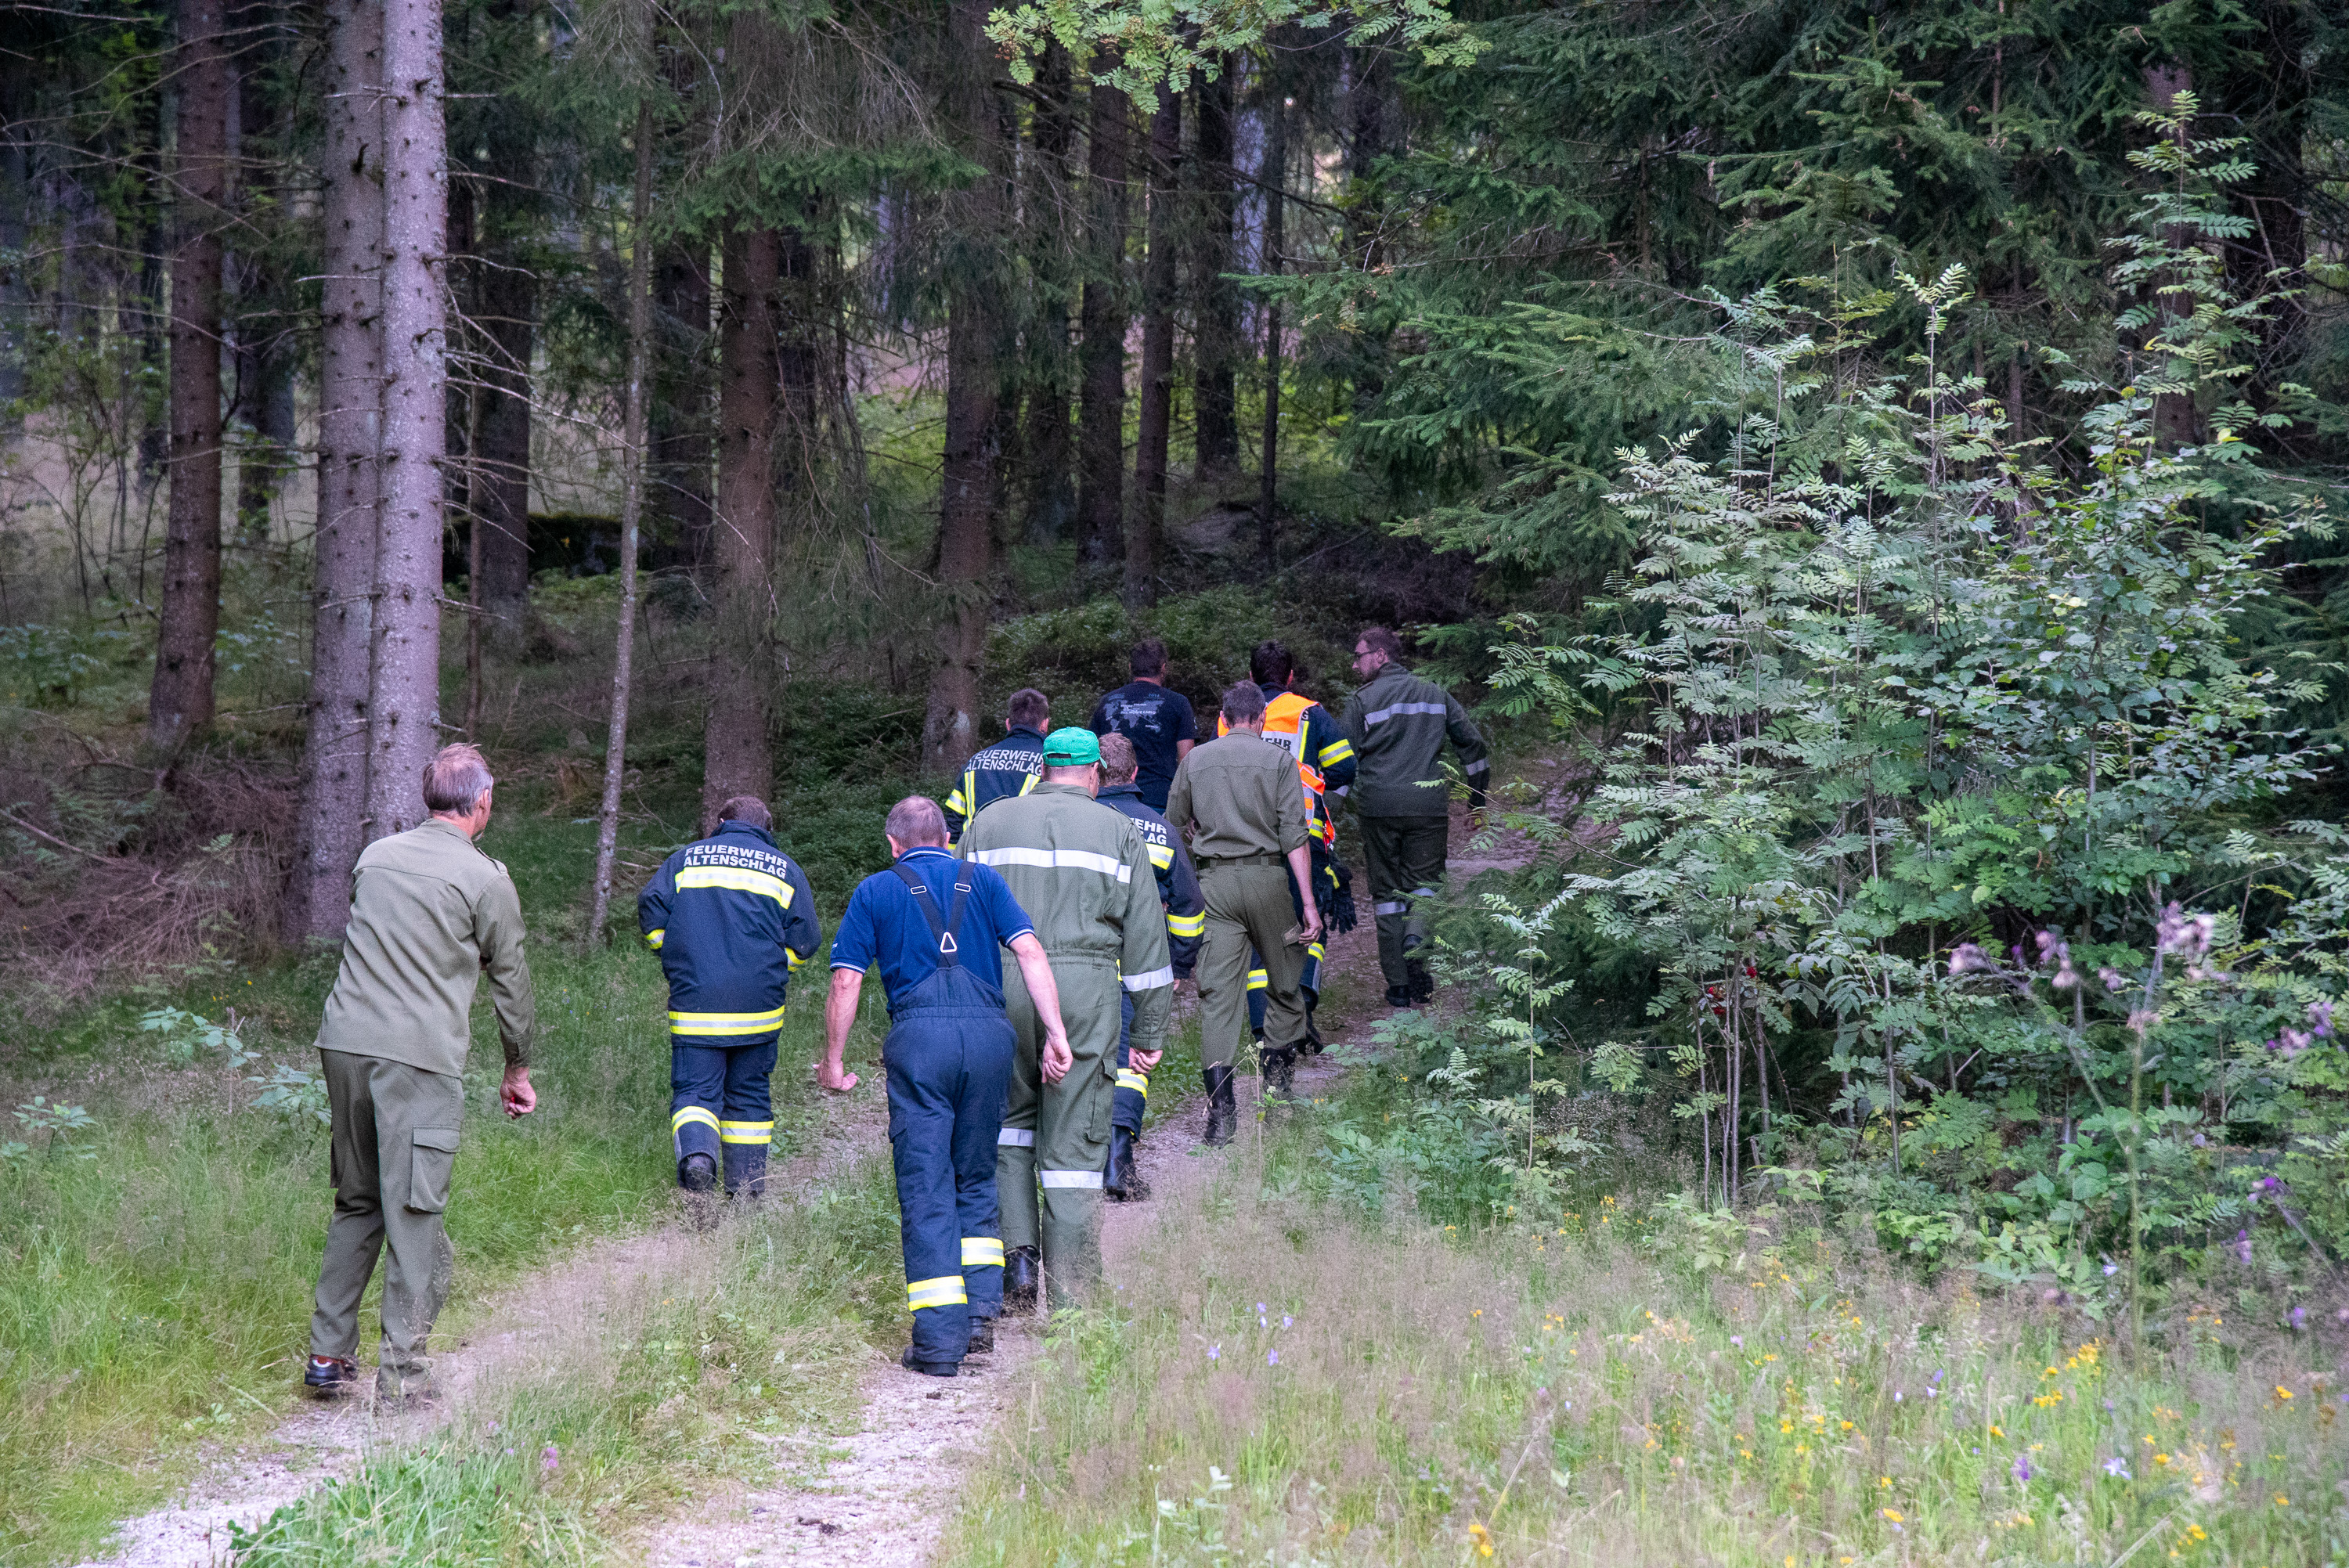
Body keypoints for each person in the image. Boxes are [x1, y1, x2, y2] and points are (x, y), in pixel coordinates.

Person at [303, 744, 536, 1405]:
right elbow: (511, 980)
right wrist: (516, 1065)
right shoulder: (486, 879)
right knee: (413, 1207)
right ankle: (404, 1376)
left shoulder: (375, 857)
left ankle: (328, 1354)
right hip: (419, 1058)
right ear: (482, 801)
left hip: (344, 1044)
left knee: (358, 1197)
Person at [822, 796, 1070, 1375]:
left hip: (921, 1044)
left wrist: (833, 1060)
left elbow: (845, 980)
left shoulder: (876, 891)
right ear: (949, 836)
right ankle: (981, 1316)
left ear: (894, 844)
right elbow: (1029, 950)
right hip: (990, 1040)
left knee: (927, 1183)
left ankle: (938, 1342)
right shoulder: (983, 880)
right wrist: (1056, 1033)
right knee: (977, 1173)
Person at [961, 727, 1172, 1307]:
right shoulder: (1119, 830)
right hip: (1083, 989)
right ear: (1095, 774)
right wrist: (1149, 1032)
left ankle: (1018, 1263)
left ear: (1044, 766)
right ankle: (1076, 1296)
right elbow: (1149, 947)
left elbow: (954, 917)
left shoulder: (990, 821)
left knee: (1007, 1127)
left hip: (1003, 981)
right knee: (1075, 1147)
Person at [637, 795, 821, 1203]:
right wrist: (777, 969)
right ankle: (747, 1191)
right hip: (759, 1011)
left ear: (721, 822)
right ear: (767, 829)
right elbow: (806, 939)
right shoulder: (785, 869)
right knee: (750, 1097)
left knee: (696, 1093)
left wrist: (671, 953)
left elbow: (651, 907)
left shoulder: (685, 861)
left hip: (696, 1006)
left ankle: (699, 1159)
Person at [1165, 683, 1322, 1143]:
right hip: (1268, 881)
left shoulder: (1195, 760)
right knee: (1286, 982)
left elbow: (1175, 820)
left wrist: (1199, 841)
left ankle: (1222, 1117)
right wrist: (1308, 904)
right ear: (1260, 720)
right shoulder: (1279, 761)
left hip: (1214, 886)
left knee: (1218, 997)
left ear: (1223, 716)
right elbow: (1295, 836)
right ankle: (1276, 1103)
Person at [1338, 626, 1490, 1008]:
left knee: (1387, 895)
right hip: (1428, 806)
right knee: (1425, 884)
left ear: (1381, 655)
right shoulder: (1436, 694)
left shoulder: (1362, 701)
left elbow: (1341, 763)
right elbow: (1473, 746)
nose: (1355, 664)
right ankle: (1417, 940)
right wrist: (1477, 799)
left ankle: (1399, 987)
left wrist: (1329, 814)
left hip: (1378, 807)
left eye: (1359, 656)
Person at [1216, 640, 1357, 1050]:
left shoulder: (1229, 719)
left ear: (1252, 675)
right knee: (1308, 927)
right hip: (1303, 835)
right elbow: (1345, 765)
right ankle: (1302, 1009)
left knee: (1259, 940)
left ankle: (1265, 1031)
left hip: (1245, 836)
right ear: (1291, 676)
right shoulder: (1309, 713)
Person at [1092, 732, 1203, 1200]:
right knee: (1133, 1062)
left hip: (1075, 966)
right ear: (1136, 774)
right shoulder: (1159, 828)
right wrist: (1178, 965)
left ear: (1093, 772)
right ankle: (1119, 1160)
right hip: (1136, 967)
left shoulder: (1081, 821)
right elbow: (1189, 907)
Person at [1088, 637, 1196, 813]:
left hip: (1109, 799)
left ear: (1131, 667)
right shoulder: (1178, 703)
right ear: (1163, 668)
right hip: (1159, 800)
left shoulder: (1107, 702)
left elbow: (1090, 753)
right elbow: (1187, 759)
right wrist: (1188, 808)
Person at [945, 687, 1051, 843]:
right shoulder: (1049, 764)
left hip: (972, 861)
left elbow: (953, 824)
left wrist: (955, 864)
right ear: (1044, 725)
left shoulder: (975, 762)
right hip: (1019, 861)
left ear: (1008, 724)